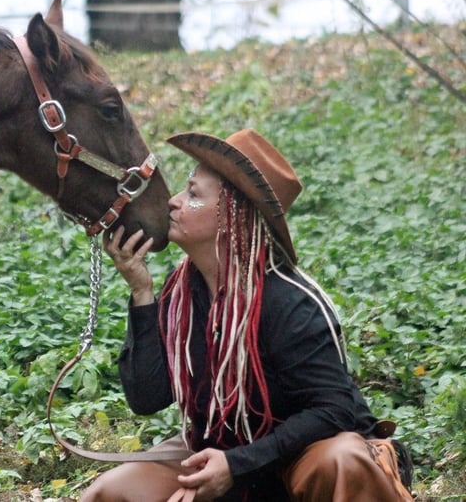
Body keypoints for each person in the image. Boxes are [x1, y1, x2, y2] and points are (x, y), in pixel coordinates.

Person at [80, 129, 413, 501]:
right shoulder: (182, 292)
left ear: (231, 215)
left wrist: (238, 464)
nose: (173, 201)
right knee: (113, 493)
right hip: (226, 454)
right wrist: (142, 293)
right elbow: (147, 398)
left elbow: (333, 412)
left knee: (342, 459)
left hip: (302, 457)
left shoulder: (291, 303)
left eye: (193, 194)